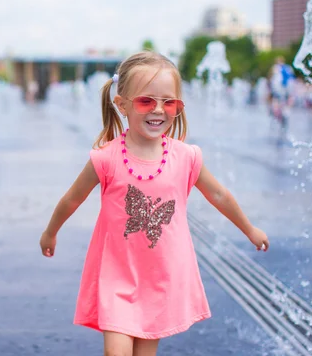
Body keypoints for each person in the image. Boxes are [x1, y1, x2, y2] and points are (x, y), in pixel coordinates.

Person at [39, 52, 269, 356]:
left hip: (159, 277)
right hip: (117, 274)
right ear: (122, 105)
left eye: (169, 102)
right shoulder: (106, 158)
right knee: (116, 352)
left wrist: (249, 229)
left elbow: (218, 195)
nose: (158, 110)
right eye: (146, 101)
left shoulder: (186, 157)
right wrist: (51, 231)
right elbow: (73, 198)